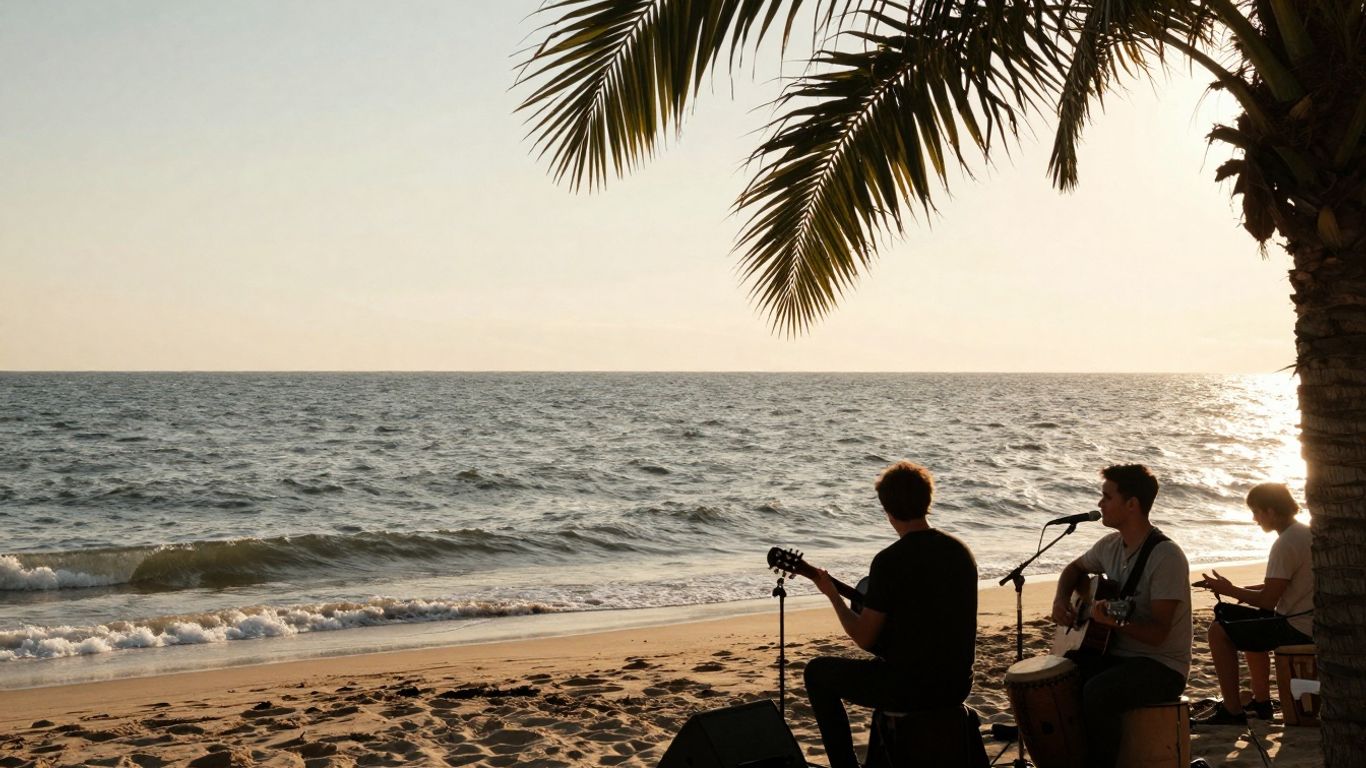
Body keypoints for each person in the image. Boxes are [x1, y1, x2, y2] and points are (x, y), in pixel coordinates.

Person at [803, 461, 978, 768]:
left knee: (816, 673)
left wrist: (832, 595)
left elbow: (864, 637)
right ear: (928, 501)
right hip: (956, 684)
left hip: (910, 688)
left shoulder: (889, 561)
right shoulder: (960, 551)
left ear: (887, 508)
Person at [1051, 464, 1191, 768]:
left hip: (1162, 666)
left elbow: (1158, 634)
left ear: (1132, 504)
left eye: (1107, 496)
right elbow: (1074, 569)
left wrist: (1116, 623)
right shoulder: (1110, 545)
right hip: (1114, 654)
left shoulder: (1166, 557)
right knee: (1058, 677)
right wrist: (1061, 599)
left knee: (1098, 691)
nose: (1100, 504)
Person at [1192, 482, 1313, 725]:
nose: (1254, 519)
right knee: (1248, 621)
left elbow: (1268, 601)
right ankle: (1261, 702)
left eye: (1256, 512)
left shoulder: (1285, 543)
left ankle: (1233, 710)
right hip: (1307, 620)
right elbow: (1286, 584)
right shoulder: (1304, 533)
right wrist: (1240, 590)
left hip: (1296, 626)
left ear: (1270, 511)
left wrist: (1229, 589)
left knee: (1218, 631)